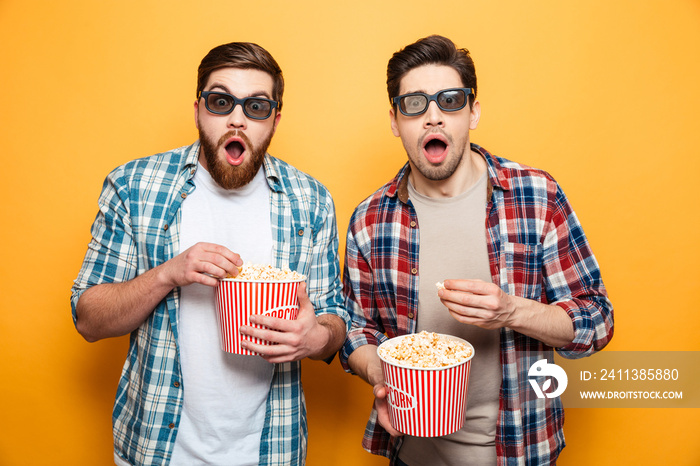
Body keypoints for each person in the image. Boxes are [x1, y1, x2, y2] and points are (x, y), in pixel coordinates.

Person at [71, 41, 349, 466]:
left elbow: (335, 318)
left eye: (256, 107)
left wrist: (316, 337)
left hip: (271, 450)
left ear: (275, 119)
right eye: (221, 102)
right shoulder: (134, 186)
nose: (237, 119)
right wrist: (168, 273)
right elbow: (88, 319)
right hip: (156, 451)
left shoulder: (310, 201)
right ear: (198, 108)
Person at [339, 35, 614, 465]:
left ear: (473, 111)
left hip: (522, 450)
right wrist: (380, 373)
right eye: (414, 103)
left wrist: (511, 311)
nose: (433, 117)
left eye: (449, 100)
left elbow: (597, 321)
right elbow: (357, 329)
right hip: (413, 455)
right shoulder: (370, 220)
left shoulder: (536, 196)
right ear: (395, 120)